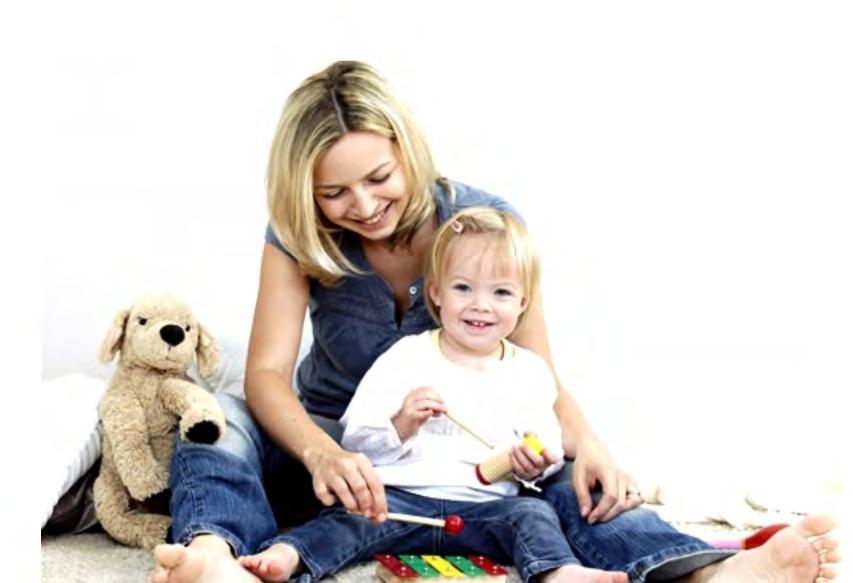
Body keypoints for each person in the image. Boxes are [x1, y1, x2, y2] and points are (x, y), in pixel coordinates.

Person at [148, 61, 840, 583]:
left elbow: (537, 375)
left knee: (569, 480)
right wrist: (321, 453)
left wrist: (591, 447)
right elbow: (267, 373)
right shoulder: (297, 232)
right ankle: (214, 554)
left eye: (379, 178)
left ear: (407, 150)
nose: (362, 205)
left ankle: (705, 572)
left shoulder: (483, 225)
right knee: (215, 415)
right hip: (334, 454)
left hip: (465, 466)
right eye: (334, 192)